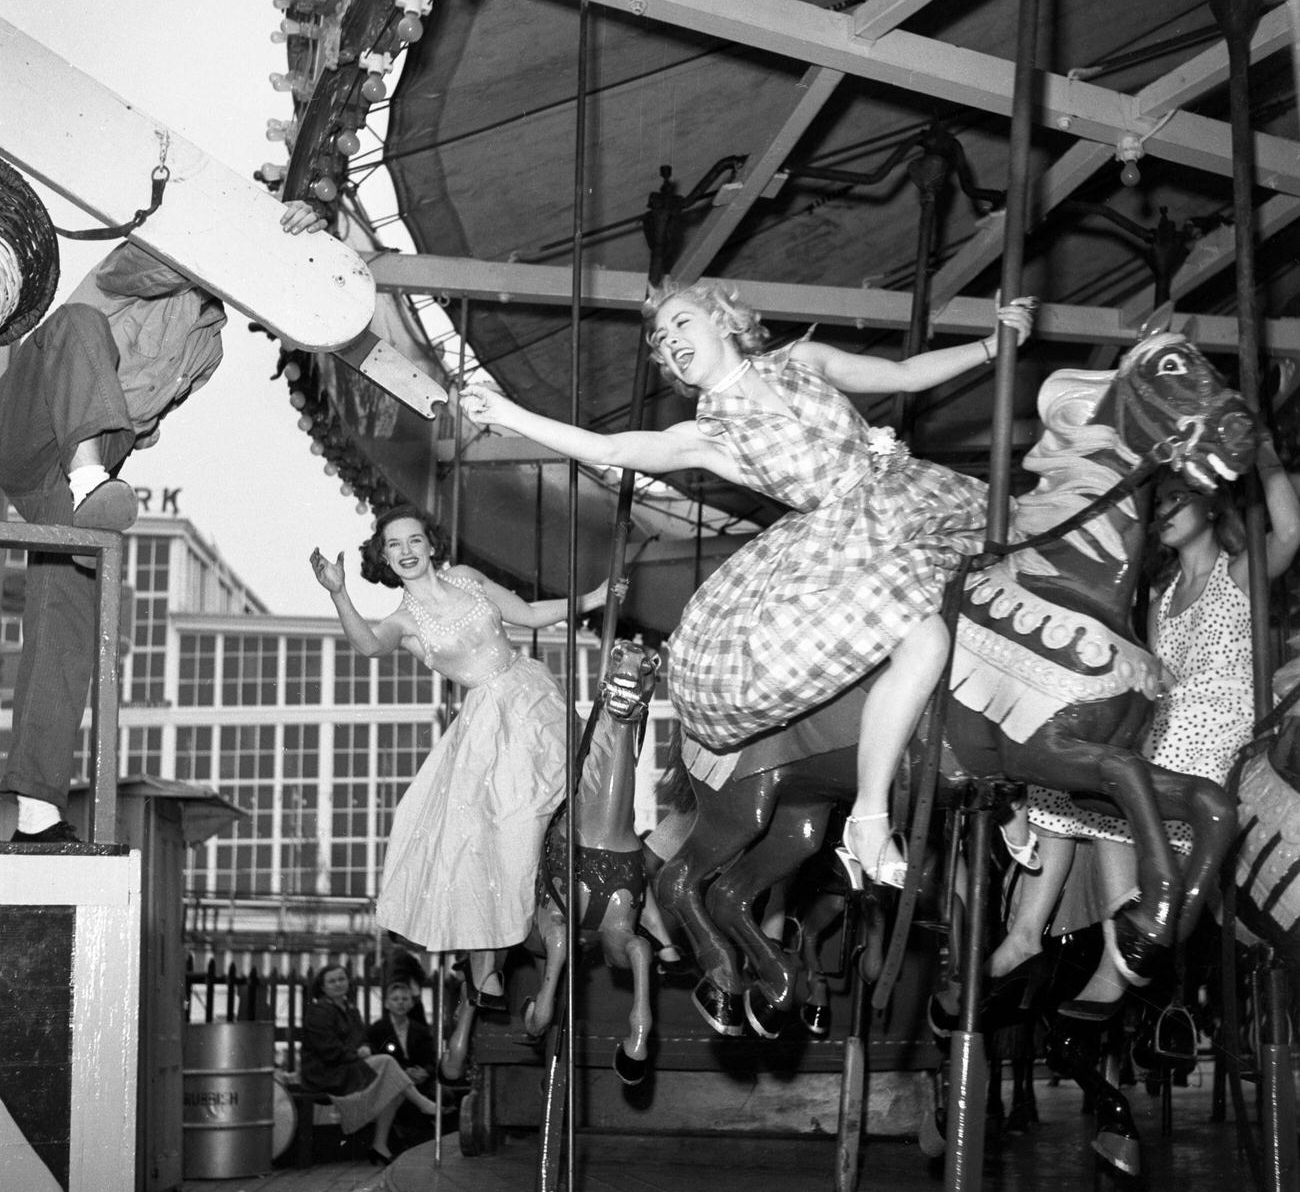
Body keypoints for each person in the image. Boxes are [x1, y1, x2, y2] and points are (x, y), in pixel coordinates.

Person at [462, 279, 1035, 889]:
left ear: (724, 320)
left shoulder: (803, 361)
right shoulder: (709, 436)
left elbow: (903, 375)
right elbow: (606, 445)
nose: (669, 341)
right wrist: (507, 414)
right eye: (660, 339)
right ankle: (869, 815)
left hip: (905, 497)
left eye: (681, 323)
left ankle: (1011, 779)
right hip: (840, 543)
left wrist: (992, 347)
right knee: (924, 642)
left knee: (1009, 580)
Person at [1, 200, 323, 844]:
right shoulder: (157, 259)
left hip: (92, 454)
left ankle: (35, 809)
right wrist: (251, 224)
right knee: (78, 326)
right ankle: (92, 476)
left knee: (70, 607)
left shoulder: (211, 351)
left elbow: (150, 423)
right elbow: (127, 280)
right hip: (32, 418)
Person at [987, 448, 1300, 1016]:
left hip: (1220, 723)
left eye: (1179, 498)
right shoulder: (1157, 601)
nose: (1167, 512)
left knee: (1118, 781)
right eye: (1161, 506)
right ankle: (1029, 929)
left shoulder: (1240, 572)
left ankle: (1123, 946)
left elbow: (1291, 528)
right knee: (1062, 779)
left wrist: (1268, 459)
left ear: (1212, 502)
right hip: (1172, 721)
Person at [309, 505, 610, 1033]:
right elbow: (366, 644)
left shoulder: (467, 579)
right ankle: (485, 964)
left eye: (414, 540)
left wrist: (590, 599)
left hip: (531, 694)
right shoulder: (403, 622)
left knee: (588, 784)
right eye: (394, 545)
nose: (406, 551)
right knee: (492, 830)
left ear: (430, 544)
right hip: (486, 723)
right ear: (382, 558)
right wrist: (338, 593)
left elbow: (529, 613)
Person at [298, 962, 441, 1166]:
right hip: (326, 1072)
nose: (338, 984)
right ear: (322, 987)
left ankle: (379, 1146)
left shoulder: (350, 1009)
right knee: (386, 1061)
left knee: (396, 1088)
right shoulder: (320, 1011)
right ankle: (424, 1104)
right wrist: (356, 1054)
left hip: (347, 1065)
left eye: (342, 979)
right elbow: (327, 1049)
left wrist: (364, 1047)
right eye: (332, 981)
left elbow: (361, 1038)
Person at [366, 980, 438, 1095]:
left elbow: (432, 1058)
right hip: (390, 1082)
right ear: (386, 1004)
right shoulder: (377, 1029)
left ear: (411, 1004)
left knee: (445, 1097)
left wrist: (425, 1071)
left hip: (420, 1081)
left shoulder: (421, 1030)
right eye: (395, 999)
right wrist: (404, 1071)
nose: (400, 1003)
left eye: (405, 999)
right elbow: (376, 1058)